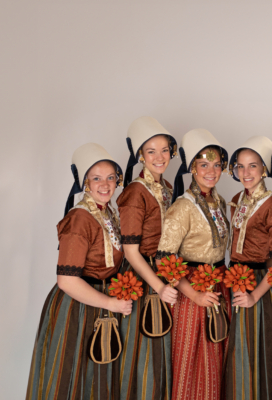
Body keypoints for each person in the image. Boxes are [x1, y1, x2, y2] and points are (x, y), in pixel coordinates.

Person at [26, 143, 132, 400]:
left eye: (110, 178)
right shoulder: (80, 218)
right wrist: (110, 303)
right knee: (71, 377)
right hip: (77, 308)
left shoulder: (107, 212)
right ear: (85, 182)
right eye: (96, 178)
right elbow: (67, 281)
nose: (105, 185)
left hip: (102, 302)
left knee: (97, 380)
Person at [156, 129, 231, 400]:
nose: (211, 171)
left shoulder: (220, 202)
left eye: (216, 165)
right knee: (192, 361)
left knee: (217, 359)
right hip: (191, 293)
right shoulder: (182, 206)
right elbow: (163, 259)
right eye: (203, 165)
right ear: (192, 168)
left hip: (219, 285)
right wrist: (195, 295)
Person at [116, 116, 178, 400]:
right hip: (143, 278)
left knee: (163, 356)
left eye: (164, 150)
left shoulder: (166, 187)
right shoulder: (135, 193)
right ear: (140, 155)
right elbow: (131, 251)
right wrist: (159, 287)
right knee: (143, 358)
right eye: (151, 151)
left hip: (165, 274)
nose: (159, 157)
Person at [223, 136, 272, 400]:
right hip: (234, 279)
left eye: (253, 166)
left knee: (258, 352)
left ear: (264, 169)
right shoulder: (237, 198)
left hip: (260, 284)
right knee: (236, 352)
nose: (245, 172)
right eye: (240, 166)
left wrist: (254, 296)